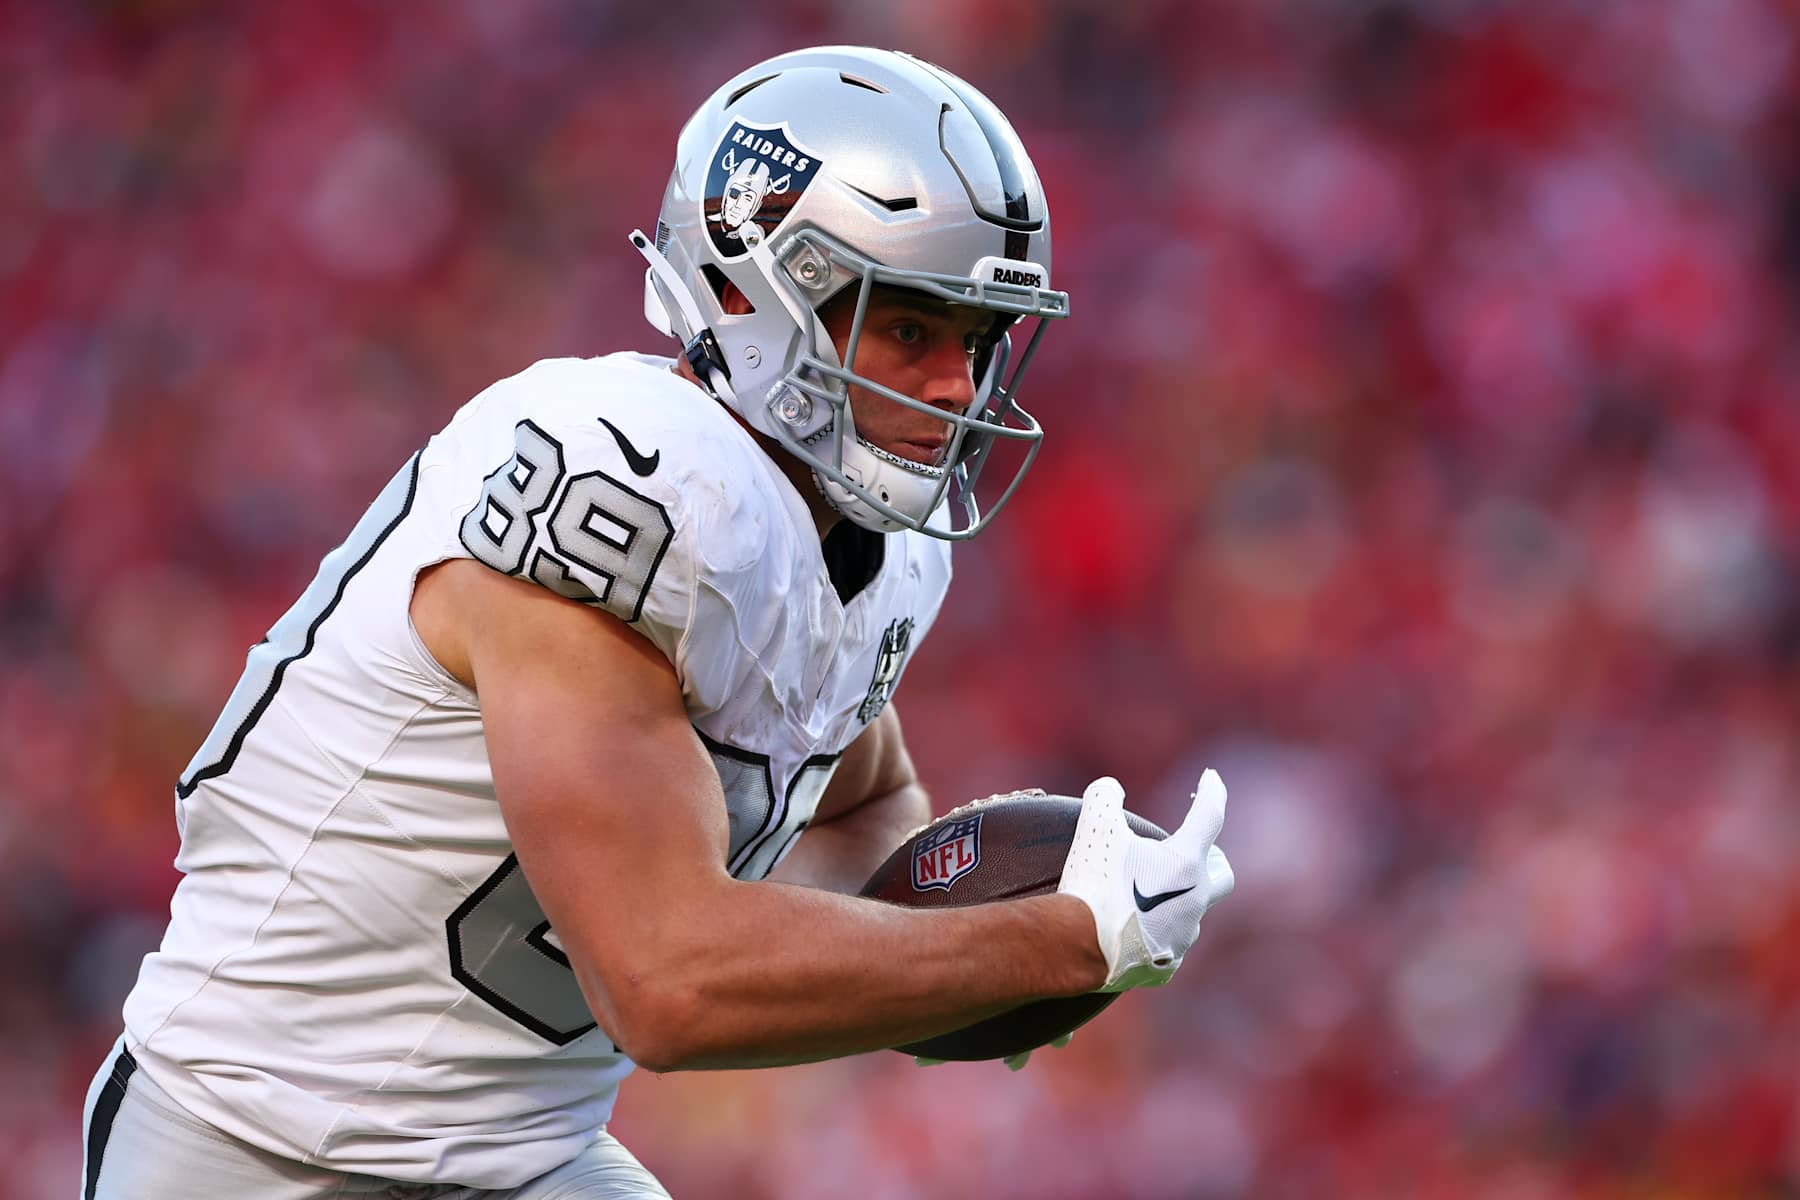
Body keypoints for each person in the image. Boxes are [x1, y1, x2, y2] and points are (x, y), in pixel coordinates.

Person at [80, 45, 1236, 1199]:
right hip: (256, 1142)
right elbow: (665, 984)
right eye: (911, 330)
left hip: (522, 1157)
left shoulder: (871, 550)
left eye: (978, 342)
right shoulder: (620, 486)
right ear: (751, 293)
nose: (954, 388)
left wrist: (955, 957)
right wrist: (1056, 941)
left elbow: (865, 809)